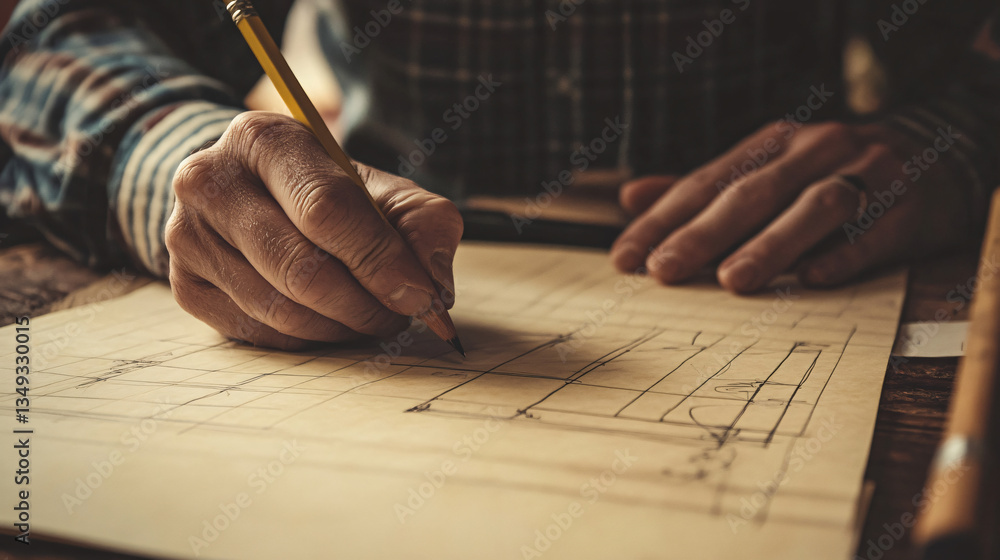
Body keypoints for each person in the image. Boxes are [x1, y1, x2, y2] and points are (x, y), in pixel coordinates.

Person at [1, 0, 997, 349]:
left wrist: (943, 135)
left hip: (782, 256)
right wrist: (185, 157)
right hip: (372, 233)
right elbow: (50, 37)